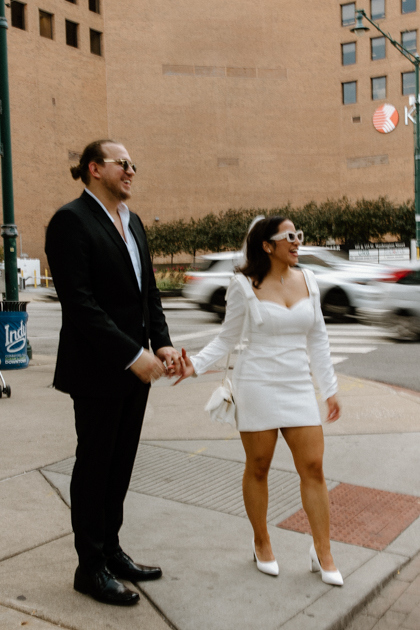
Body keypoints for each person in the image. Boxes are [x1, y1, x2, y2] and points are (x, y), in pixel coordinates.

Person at [45, 139, 182, 606]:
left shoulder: (134, 221)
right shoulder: (70, 221)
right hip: (97, 370)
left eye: (133, 164)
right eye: (122, 163)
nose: (131, 171)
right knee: (95, 466)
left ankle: (112, 551)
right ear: (94, 168)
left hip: (136, 371)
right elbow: (80, 304)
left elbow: (149, 296)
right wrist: (131, 353)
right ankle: (90, 567)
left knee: (120, 466)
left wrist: (159, 344)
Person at [176, 216, 343, 586]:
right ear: (267, 245)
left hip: (298, 384)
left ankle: (323, 550)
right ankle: (262, 541)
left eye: (299, 234)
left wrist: (329, 389)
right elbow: (225, 339)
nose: (297, 241)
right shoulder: (242, 285)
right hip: (256, 383)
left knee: (313, 466)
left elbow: (318, 339)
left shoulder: (309, 281)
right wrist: (194, 367)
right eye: (289, 236)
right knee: (259, 466)